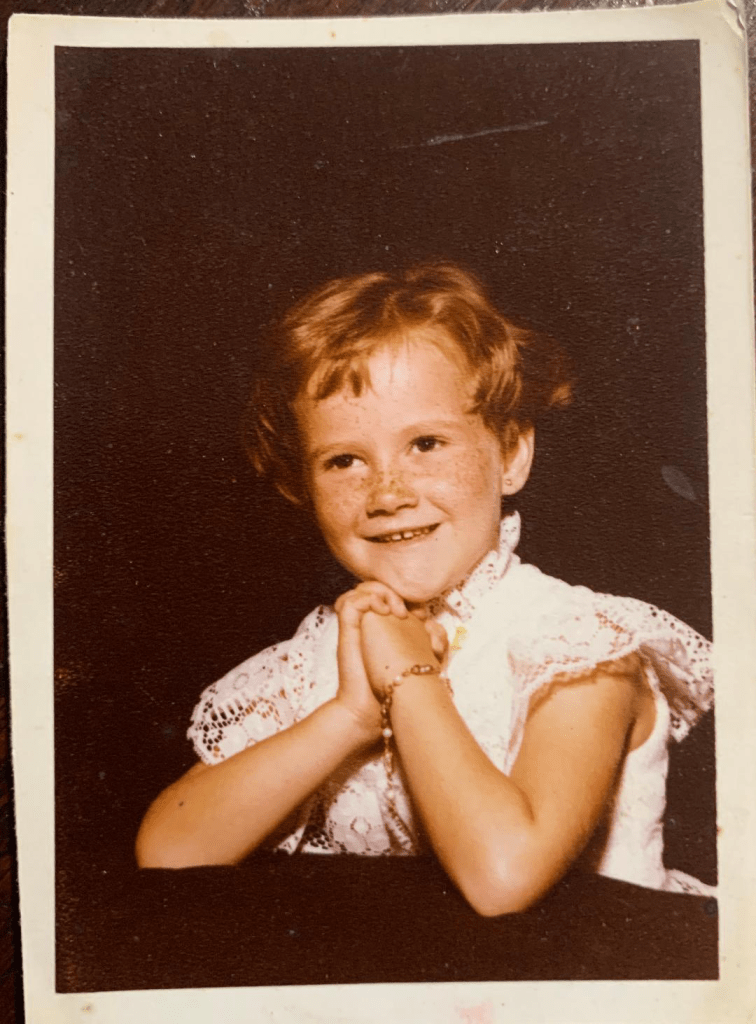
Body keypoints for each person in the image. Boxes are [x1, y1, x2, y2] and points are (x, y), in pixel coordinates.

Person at [135, 262, 714, 915]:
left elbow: (504, 879)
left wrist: (408, 680)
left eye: (427, 443)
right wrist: (350, 716)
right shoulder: (320, 657)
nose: (387, 493)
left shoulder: (577, 644)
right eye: (344, 460)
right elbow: (169, 852)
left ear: (512, 455)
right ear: (304, 485)